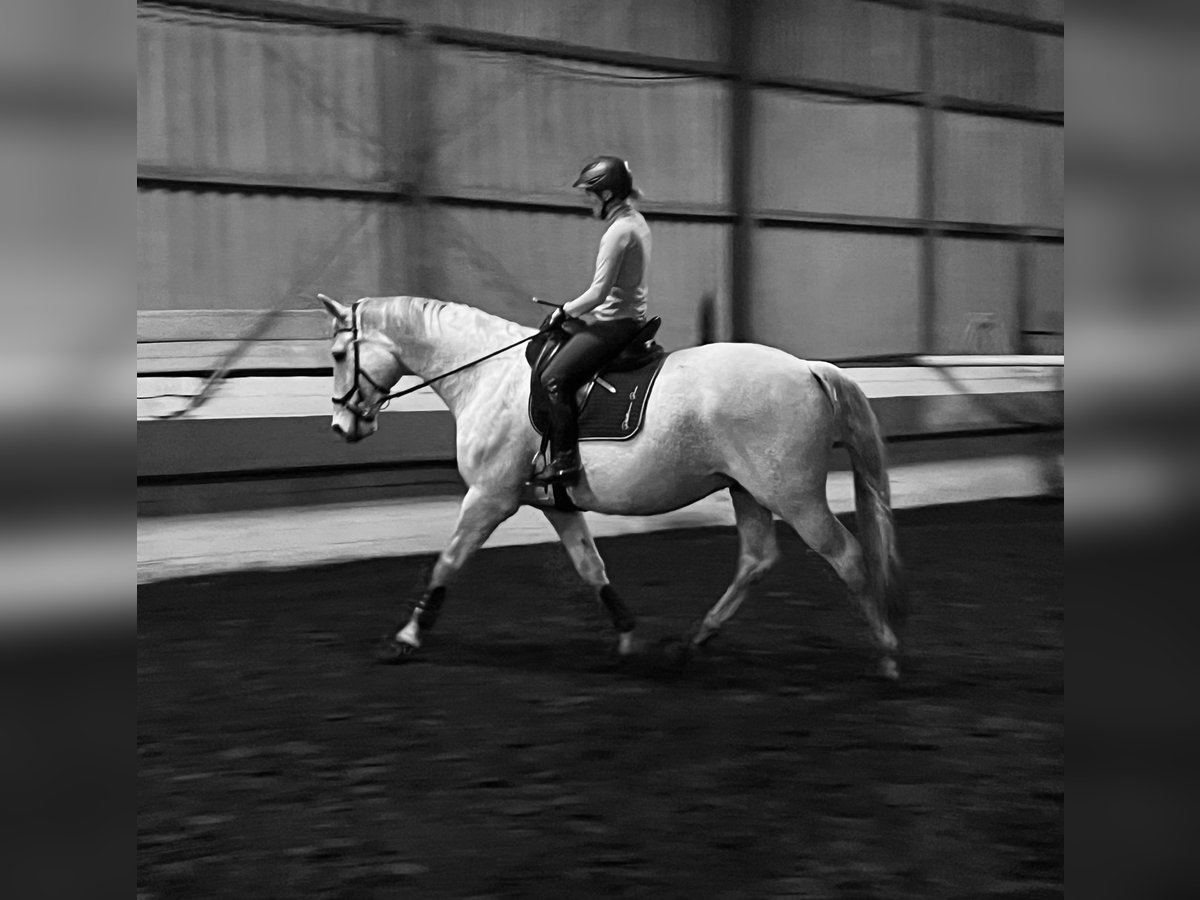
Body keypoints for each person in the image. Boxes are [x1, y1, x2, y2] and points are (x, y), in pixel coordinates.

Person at [533, 155, 652, 485]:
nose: (588, 204)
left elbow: (598, 293)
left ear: (607, 196)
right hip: (629, 318)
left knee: (554, 378)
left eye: (590, 196)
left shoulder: (617, 232)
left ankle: (565, 461)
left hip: (615, 323)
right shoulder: (636, 220)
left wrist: (563, 310)